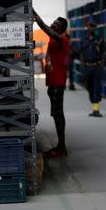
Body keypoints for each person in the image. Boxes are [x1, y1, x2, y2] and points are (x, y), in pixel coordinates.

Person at [33, 9, 69, 158]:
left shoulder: (62, 38)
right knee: (56, 113)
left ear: (61, 29)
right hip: (53, 81)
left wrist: (35, 15)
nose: (53, 24)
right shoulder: (54, 39)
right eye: (54, 22)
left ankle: (62, 147)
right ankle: (61, 146)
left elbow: (46, 29)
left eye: (56, 24)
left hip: (57, 81)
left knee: (58, 113)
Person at [79, 22, 104, 117]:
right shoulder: (84, 40)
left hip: (96, 66)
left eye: (93, 27)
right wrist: (82, 65)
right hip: (87, 67)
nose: (91, 28)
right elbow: (81, 53)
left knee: (96, 87)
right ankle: (94, 105)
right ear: (87, 28)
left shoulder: (99, 39)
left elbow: (103, 53)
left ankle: (96, 110)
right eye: (90, 26)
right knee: (89, 87)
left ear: (95, 28)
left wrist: (101, 65)